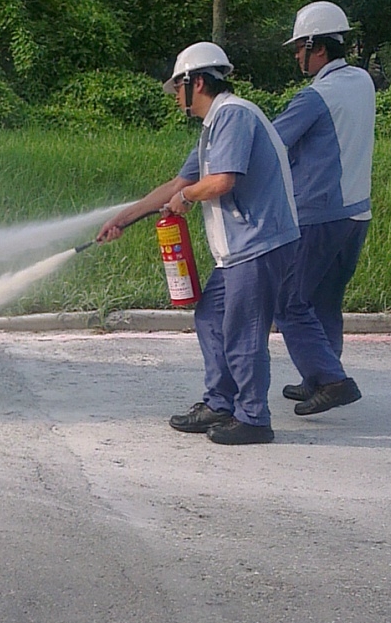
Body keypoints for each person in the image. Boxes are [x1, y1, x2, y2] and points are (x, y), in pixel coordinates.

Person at [96, 41, 322, 446]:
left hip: (259, 243)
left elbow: (221, 181)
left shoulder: (234, 115)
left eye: (177, 88)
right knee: (211, 318)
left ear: (196, 82)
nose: (175, 97)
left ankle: (253, 418)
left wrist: (186, 198)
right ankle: (220, 403)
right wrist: (123, 219)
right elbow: (176, 184)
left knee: (243, 332)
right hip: (238, 250)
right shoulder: (212, 129)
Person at [272, 1, 375, 416]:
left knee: (288, 302)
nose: (297, 56)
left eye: (300, 47)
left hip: (319, 214)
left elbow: (271, 144)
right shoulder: (362, 81)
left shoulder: (314, 97)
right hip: (356, 213)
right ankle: (318, 376)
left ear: (317, 46)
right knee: (324, 301)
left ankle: (331, 381)